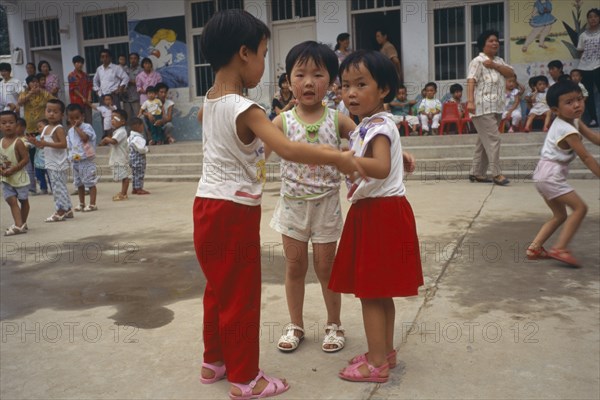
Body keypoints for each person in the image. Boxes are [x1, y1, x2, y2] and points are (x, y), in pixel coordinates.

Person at [195, 10, 362, 400]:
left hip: (206, 206)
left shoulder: (209, 102)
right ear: (243, 54)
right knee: (241, 296)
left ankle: (213, 363)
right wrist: (337, 158)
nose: (263, 66)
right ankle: (245, 378)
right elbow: (287, 147)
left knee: (218, 291)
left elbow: (235, 135)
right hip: (232, 212)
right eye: (263, 55)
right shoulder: (247, 109)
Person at [330, 49, 422, 383]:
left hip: (378, 214)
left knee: (371, 292)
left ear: (383, 90)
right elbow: (384, 157)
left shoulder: (379, 126)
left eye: (360, 84)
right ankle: (383, 351)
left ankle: (377, 364)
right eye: (345, 85)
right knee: (381, 291)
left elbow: (380, 168)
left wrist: (346, 161)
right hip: (382, 212)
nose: (350, 93)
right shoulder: (372, 125)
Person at [269, 41, 356, 355]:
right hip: (292, 206)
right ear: (289, 81)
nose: (308, 82)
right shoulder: (281, 122)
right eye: (300, 74)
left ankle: (334, 323)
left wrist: (398, 151)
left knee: (326, 269)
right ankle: (296, 325)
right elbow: (257, 157)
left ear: (331, 82)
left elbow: (369, 139)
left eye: (317, 75)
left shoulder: (337, 120)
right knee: (294, 268)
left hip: (326, 207)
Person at [527, 80, 600, 267]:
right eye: (569, 102)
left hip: (543, 174)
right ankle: (560, 248)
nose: (577, 105)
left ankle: (534, 248)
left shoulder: (574, 120)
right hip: (550, 175)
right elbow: (586, 157)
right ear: (556, 110)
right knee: (580, 208)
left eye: (579, 99)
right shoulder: (567, 130)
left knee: (560, 215)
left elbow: (594, 138)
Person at [466, 30, 514, 186]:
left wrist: (494, 65)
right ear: (483, 44)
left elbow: (511, 73)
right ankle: (496, 173)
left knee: (483, 141)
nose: (495, 43)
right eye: (491, 41)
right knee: (494, 139)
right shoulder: (477, 61)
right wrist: (470, 102)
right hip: (482, 107)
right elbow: (471, 81)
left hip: (497, 107)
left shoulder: (499, 61)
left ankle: (477, 173)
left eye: (496, 41)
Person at [29, 99, 73, 222]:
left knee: (58, 188)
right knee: (58, 186)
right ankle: (68, 209)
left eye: (55, 111)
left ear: (61, 115)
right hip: (50, 161)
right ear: (45, 112)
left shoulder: (58, 128)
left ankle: (60, 210)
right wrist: (36, 142)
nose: (51, 114)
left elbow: (63, 144)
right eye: (49, 111)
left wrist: (45, 143)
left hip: (58, 162)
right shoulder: (46, 127)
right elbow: (42, 145)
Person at [0, 110, 30, 235]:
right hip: (6, 179)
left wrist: (14, 169)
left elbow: (26, 159)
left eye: (11, 122)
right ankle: (19, 224)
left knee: (23, 201)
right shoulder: (1, 142)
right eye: (4, 123)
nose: (8, 125)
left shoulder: (18, 142)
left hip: (20, 177)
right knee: (11, 200)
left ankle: (21, 222)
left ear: (17, 124)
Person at [66, 103, 98, 212]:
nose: (74, 120)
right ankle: (81, 203)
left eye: (77, 118)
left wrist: (76, 128)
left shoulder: (87, 127)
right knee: (78, 183)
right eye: (71, 118)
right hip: (75, 160)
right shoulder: (70, 131)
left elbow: (84, 138)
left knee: (90, 181)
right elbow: (70, 146)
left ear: (82, 117)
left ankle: (92, 204)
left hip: (86, 159)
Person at [576, 8, 600, 127]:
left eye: (595, 16)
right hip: (585, 68)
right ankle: (593, 119)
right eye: (590, 17)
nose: (593, 19)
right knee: (587, 94)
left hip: (598, 66)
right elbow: (580, 51)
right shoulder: (583, 35)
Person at [100, 109, 130, 201]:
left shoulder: (121, 131)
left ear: (123, 121)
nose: (112, 120)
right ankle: (122, 192)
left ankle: (124, 194)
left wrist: (105, 139)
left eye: (115, 118)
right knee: (122, 176)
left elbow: (114, 141)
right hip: (117, 157)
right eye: (111, 118)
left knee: (124, 176)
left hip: (120, 158)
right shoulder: (117, 131)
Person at [67, 56, 93, 123]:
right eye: (78, 63)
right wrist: (82, 97)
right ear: (74, 63)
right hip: (76, 101)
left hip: (87, 102)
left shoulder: (86, 75)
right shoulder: (71, 75)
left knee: (88, 119)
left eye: (81, 63)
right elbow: (73, 89)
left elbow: (90, 86)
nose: (80, 64)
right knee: (78, 120)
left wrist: (89, 97)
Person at [127, 117, 150, 195]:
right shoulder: (138, 138)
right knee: (139, 174)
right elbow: (141, 149)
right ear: (138, 126)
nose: (143, 128)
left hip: (132, 158)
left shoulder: (130, 137)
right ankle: (139, 188)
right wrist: (147, 149)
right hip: (138, 159)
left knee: (134, 174)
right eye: (142, 126)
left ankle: (135, 188)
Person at [15, 117, 36, 195]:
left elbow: (32, 145)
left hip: (26, 159)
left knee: (29, 173)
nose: (14, 128)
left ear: (23, 127)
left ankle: (31, 189)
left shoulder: (26, 138)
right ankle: (20, 188)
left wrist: (28, 146)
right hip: (16, 160)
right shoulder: (13, 139)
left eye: (17, 126)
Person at [123, 53, 142, 122]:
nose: (133, 60)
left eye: (135, 58)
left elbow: (141, 82)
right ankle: (129, 133)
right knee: (127, 120)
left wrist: (129, 81)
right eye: (131, 58)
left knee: (139, 118)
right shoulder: (126, 69)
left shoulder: (141, 70)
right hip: (126, 98)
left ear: (138, 59)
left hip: (136, 98)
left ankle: (140, 133)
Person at [33, 118, 51, 195]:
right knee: (40, 177)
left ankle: (53, 188)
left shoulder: (50, 137)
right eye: (38, 128)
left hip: (49, 162)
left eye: (40, 126)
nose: (38, 129)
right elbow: (32, 145)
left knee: (51, 177)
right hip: (38, 162)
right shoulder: (36, 138)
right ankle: (43, 188)